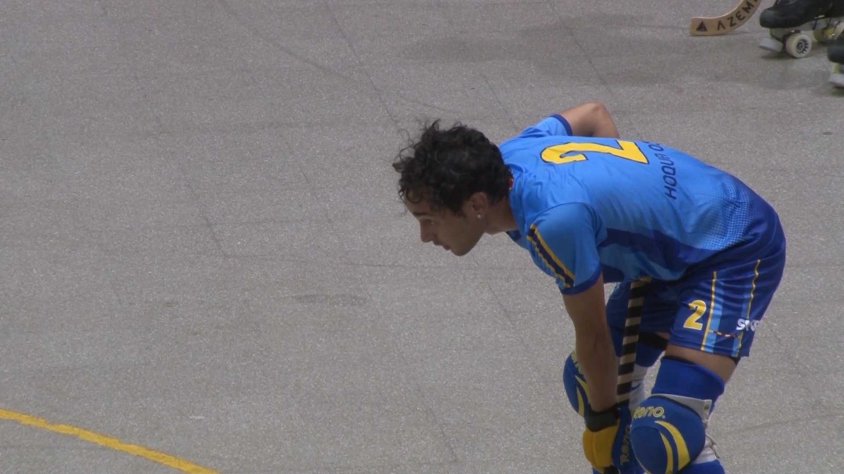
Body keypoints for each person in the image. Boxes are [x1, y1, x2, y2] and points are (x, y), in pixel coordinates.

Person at [391, 102, 786, 473]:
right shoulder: (511, 155)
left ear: (477, 204)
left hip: (734, 247)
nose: (425, 236)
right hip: (672, 253)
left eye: (429, 219)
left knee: (665, 434)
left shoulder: (554, 222)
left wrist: (603, 424)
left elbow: (594, 337)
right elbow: (593, 114)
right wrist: (628, 198)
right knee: (587, 382)